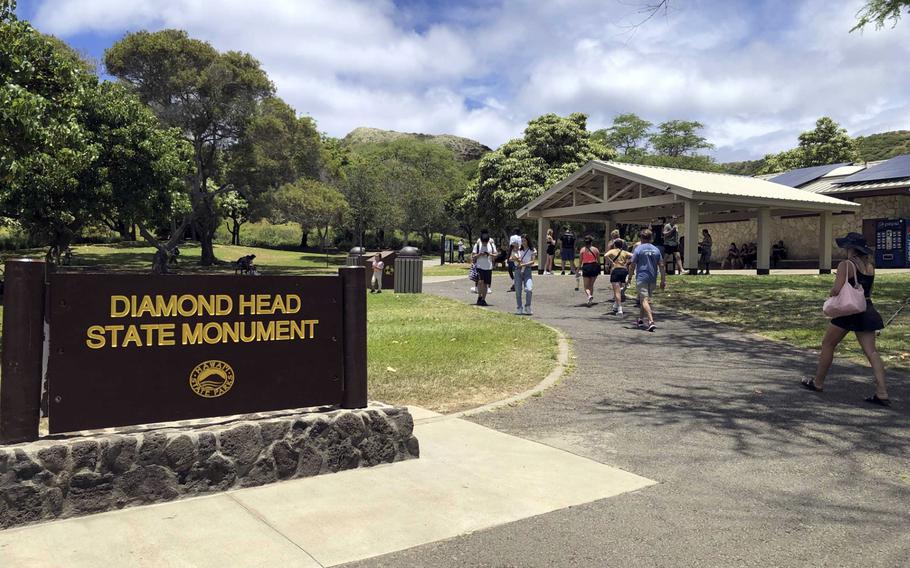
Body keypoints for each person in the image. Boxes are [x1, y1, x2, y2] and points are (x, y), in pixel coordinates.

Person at [801, 233, 890, 406]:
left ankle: (818, 382)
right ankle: (882, 392)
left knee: (828, 344)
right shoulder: (869, 266)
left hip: (848, 311)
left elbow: (836, 290)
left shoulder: (845, 265)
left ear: (850, 248)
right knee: (872, 352)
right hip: (865, 308)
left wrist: (831, 295)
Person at [628, 229, 666, 332]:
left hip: (641, 277)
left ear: (641, 238)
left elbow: (632, 265)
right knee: (643, 299)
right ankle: (640, 320)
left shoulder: (638, 249)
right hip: (653, 278)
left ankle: (651, 321)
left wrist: (630, 277)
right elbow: (661, 265)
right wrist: (663, 280)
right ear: (651, 238)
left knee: (644, 300)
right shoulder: (656, 250)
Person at [605, 239, 632, 316]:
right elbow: (633, 256)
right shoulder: (624, 252)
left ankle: (620, 308)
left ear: (614, 245)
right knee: (620, 289)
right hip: (624, 270)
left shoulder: (613, 251)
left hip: (616, 270)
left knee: (616, 291)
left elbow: (605, 255)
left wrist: (611, 262)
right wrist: (627, 262)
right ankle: (615, 305)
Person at [511, 235, 536, 315]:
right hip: (518, 270)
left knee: (529, 289)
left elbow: (532, 262)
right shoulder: (518, 250)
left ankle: (527, 306)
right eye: (522, 241)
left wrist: (524, 264)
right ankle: (519, 307)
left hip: (527, 270)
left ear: (528, 241)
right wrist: (515, 259)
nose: (523, 243)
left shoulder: (532, 250)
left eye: (524, 241)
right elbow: (511, 258)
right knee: (518, 290)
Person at [472, 230, 497, 306]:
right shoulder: (478, 244)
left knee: (485, 284)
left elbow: (496, 255)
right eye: (483, 242)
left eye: (486, 242)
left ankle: (483, 299)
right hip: (479, 266)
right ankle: (479, 297)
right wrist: (480, 254)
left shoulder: (491, 244)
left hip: (488, 267)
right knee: (480, 282)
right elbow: (473, 256)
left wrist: (490, 254)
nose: (484, 243)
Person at [578, 236, 601, 306]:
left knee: (586, 286)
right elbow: (599, 260)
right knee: (591, 285)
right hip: (594, 266)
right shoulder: (596, 249)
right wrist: (599, 269)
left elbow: (580, 261)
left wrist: (578, 269)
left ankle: (589, 296)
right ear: (591, 242)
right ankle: (590, 300)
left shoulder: (582, 250)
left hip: (586, 267)